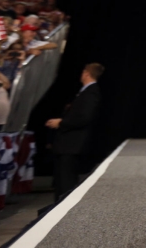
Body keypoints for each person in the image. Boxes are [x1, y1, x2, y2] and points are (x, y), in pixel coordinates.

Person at [46, 63, 103, 201]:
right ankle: (59, 205)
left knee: (67, 181)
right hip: (68, 143)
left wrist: (61, 122)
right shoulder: (86, 92)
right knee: (62, 180)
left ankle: (63, 207)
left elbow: (84, 117)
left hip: (72, 144)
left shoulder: (91, 92)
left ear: (87, 73)